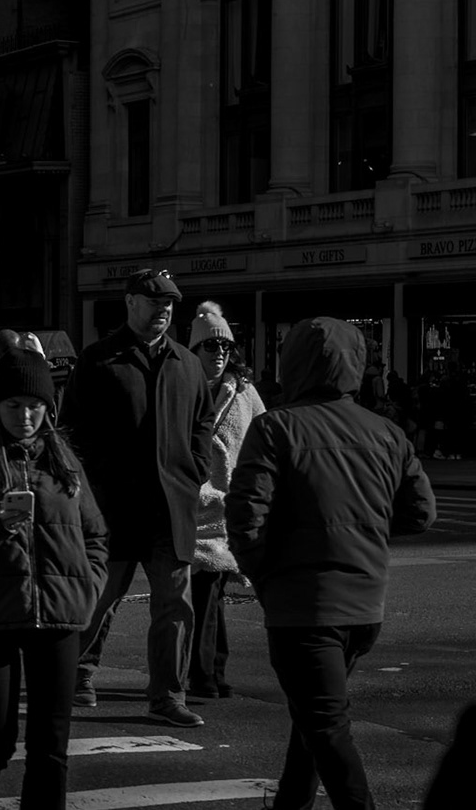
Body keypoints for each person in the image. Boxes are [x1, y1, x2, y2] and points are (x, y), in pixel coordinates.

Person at [226, 316, 436, 810]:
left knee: (324, 725)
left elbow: (246, 517)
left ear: (293, 363)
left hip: (301, 604)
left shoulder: (275, 427)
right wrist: (366, 529)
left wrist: (264, 576)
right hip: (364, 604)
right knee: (314, 718)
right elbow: (421, 512)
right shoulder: (386, 432)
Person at [0, 331, 109, 810]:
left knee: (50, 746)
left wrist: (88, 588)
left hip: (59, 617)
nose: (25, 416)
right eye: (13, 405)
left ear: (48, 408)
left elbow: (96, 535)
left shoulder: (65, 463)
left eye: (34, 406)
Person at [67, 269, 214, 727]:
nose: (163, 311)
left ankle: (168, 695)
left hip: (170, 506)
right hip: (113, 505)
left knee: (175, 604)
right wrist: (92, 482)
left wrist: (195, 470)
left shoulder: (186, 363)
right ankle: (78, 674)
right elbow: (73, 429)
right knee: (101, 596)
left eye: (169, 305)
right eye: (155, 302)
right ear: (131, 302)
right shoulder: (98, 360)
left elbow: (203, 423)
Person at [186, 301, 264, 701]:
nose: (219, 354)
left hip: (227, 507)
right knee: (201, 595)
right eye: (210, 346)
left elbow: (264, 440)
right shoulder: (180, 386)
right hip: (190, 503)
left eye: (225, 347)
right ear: (194, 349)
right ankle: (205, 672)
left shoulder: (245, 393)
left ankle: (208, 672)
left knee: (210, 593)